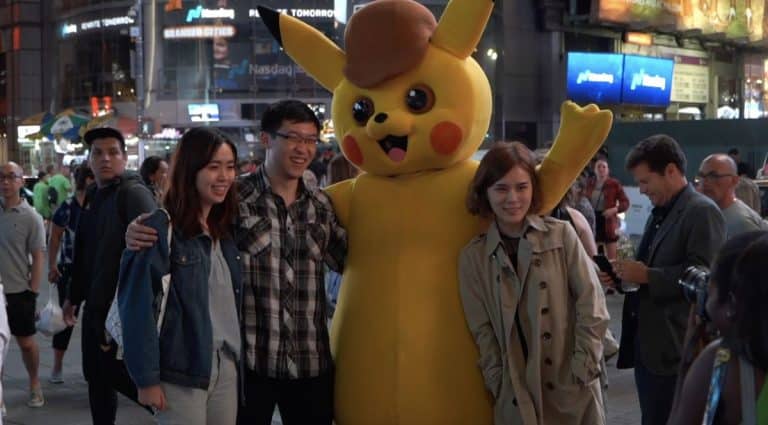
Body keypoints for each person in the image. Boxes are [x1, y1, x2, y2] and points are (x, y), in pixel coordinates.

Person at [126, 100, 347, 425]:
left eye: (311, 140)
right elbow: (185, 219)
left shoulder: (322, 207)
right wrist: (137, 230)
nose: (303, 148)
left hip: (309, 362)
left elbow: (351, 260)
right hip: (250, 363)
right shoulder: (233, 197)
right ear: (266, 139)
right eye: (293, 137)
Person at [459, 142, 609, 424]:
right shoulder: (473, 257)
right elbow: (482, 331)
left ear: (533, 188)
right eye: (501, 189)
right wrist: (498, 381)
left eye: (521, 187)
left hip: (571, 387)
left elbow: (593, 302)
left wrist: (584, 366)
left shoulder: (561, 235)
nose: (512, 198)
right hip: (516, 392)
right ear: (485, 194)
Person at [600, 134, 726, 425]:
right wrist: (620, 277)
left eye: (645, 182)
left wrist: (647, 275)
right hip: (650, 348)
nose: (641, 191)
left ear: (670, 171)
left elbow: (705, 279)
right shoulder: (662, 211)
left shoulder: (702, 212)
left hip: (676, 350)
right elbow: (648, 267)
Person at [119, 127, 242, 425]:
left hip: (226, 365)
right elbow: (136, 308)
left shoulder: (225, 228)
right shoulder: (160, 228)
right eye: (214, 167)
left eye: (230, 167)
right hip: (181, 368)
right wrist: (146, 379)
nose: (224, 177)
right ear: (191, 170)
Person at [63, 127, 157, 424]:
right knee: (97, 380)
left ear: (125, 157)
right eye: (98, 153)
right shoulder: (93, 195)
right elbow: (85, 252)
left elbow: (153, 257)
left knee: (133, 383)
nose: (106, 159)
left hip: (122, 312)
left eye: (113, 152)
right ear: (89, 160)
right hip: (95, 308)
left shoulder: (134, 193)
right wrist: (73, 296)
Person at [667, 230, 768, 425]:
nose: (705, 301)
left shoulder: (721, 363)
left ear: (731, 304)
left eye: (710, 286)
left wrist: (687, 363)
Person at [0, 162, 46, 408]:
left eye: (11, 177)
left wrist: (33, 291)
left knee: (26, 343)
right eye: (1, 178)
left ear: (21, 181)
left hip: (18, 292)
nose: (5, 182)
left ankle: (34, 382)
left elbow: (38, 255)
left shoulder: (32, 217)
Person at [47, 164, 94, 384]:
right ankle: (56, 366)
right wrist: (52, 266)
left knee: (97, 320)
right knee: (66, 320)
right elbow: (54, 237)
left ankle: (96, 368)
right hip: (69, 269)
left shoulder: (99, 207)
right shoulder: (67, 208)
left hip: (95, 270)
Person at [696, 154, 767, 238]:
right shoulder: (714, 215)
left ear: (734, 181)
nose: (704, 182)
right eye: (702, 176)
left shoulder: (741, 223)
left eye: (713, 176)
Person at [585, 156, 629, 260]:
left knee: (611, 259)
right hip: (593, 220)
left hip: (608, 221)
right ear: (594, 169)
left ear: (608, 170)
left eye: (604, 167)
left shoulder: (614, 184)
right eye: (598, 166)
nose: (601, 169)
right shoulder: (589, 183)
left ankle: (612, 275)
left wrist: (614, 210)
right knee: (593, 256)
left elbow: (625, 203)